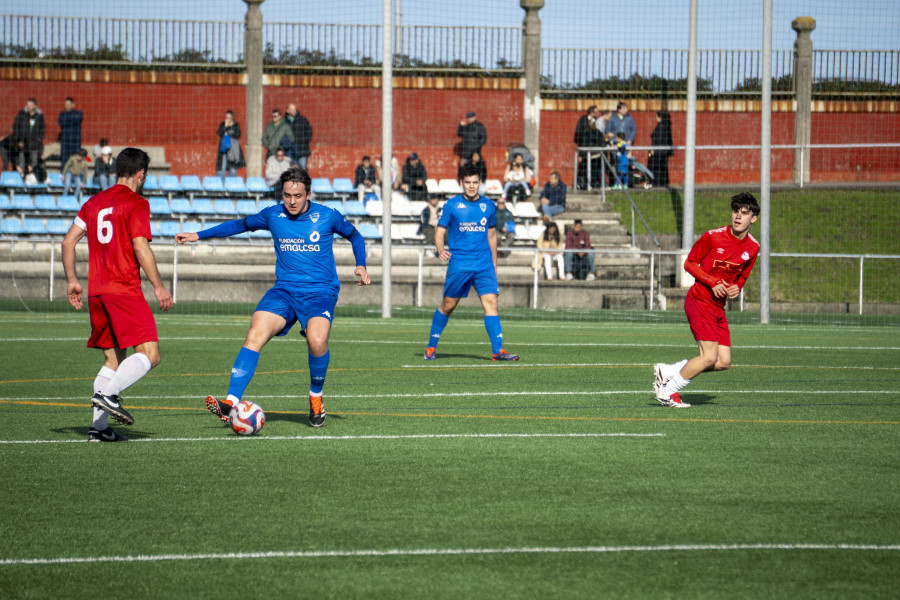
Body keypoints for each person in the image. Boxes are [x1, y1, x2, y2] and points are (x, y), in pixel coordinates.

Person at [175, 166, 371, 428]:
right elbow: (239, 225)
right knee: (255, 333)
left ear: (308, 194)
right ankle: (231, 402)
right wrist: (199, 234)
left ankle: (316, 398)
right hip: (284, 290)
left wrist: (361, 264)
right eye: (287, 195)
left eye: (298, 195)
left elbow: (355, 235)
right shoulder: (273, 215)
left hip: (319, 292)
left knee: (317, 340)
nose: (291, 201)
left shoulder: (328, 216)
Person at [61, 147, 174, 441]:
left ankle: (98, 429)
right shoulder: (136, 203)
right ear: (141, 174)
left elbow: (67, 242)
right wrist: (159, 286)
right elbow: (140, 246)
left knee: (114, 361)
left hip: (97, 293)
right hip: (123, 290)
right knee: (150, 354)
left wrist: (73, 280)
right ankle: (110, 395)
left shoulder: (93, 202)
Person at [653, 193, 761, 408]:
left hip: (718, 307)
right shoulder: (713, 236)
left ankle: (670, 370)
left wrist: (736, 288)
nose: (738, 217)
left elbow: (742, 276)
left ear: (753, 219)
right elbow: (690, 263)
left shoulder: (753, 247)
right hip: (699, 301)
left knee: (723, 362)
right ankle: (668, 391)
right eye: (735, 212)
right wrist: (712, 282)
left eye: (744, 213)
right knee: (709, 358)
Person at [424, 163, 518, 362]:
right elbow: (439, 232)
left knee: (491, 302)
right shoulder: (451, 205)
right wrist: (440, 250)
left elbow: (492, 235)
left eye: (475, 182)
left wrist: (494, 263)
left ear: (480, 183)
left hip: (484, 263)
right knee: (448, 305)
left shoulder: (489, 206)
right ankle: (431, 346)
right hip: (460, 263)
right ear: (461, 183)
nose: (471, 186)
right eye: (467, 182)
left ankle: (497, 351)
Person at [12, 98, 45, 171]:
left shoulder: (39, 116)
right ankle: (22, 178)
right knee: (22, 162)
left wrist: (39, 139)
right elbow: (16, 127)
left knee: (34, 163)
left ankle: (32, 179)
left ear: (34, 106)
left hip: (34, 143)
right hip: (23, 142)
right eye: (28, 105)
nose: (29, 107)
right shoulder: (22, 114)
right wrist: (19, 140)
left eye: (31, 105)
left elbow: (42, 128)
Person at [574, 105, 602, 189]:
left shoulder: (596, 121)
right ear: (591, 112)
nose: (597, 114)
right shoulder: (583, 121)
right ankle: (581, 184)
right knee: (583, 168)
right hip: (585, 148)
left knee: (594, 168)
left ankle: (592, 183)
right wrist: (581, 152)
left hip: (594, 150)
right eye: (596, 112)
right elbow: (578, 136)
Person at [216, 110, 244, 178]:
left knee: (233, 169)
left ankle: (231, 185)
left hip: (233, 150)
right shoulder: (222, 125)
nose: (227, 119)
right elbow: (219, 132)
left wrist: (229, 131)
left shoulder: (236, 125)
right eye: (226, 117)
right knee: (222, 168)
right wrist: (226, 126)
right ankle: (221, 186)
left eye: (229, 118)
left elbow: (238, 134)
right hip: (224, 151)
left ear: (232, 118)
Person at [648, 111, 673, 188]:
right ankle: (663, 182)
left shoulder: (661, 127)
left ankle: (656, 182)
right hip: (664, 150)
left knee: (656, 166)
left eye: (656, 116)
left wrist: (653, 149)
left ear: (660, 117)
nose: (655, 118)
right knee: (663, 166)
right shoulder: (666, 126)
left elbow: (658, 139)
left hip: (659, 150)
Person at [284, 103, 312, 169]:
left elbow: (309, 132)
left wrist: (304, 142)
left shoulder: (302, 120)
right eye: (292, 109)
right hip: (289, 152)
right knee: (290, 171)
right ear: (287, 110)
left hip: (302, 150)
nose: (294, 111)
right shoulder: (284, 122)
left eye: (295, 109)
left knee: (302, 171)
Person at [58, 97, 83, 168]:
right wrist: (73, 121)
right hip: (65, 141)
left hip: (75, 141)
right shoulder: (62, 114)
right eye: (66, 105)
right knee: (64, 159)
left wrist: (66, 121)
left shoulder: (79, 113)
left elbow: (78, 119)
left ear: (73, 105)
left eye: (68, 105)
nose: (67, 106)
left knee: (76, 159)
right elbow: (60, 122)